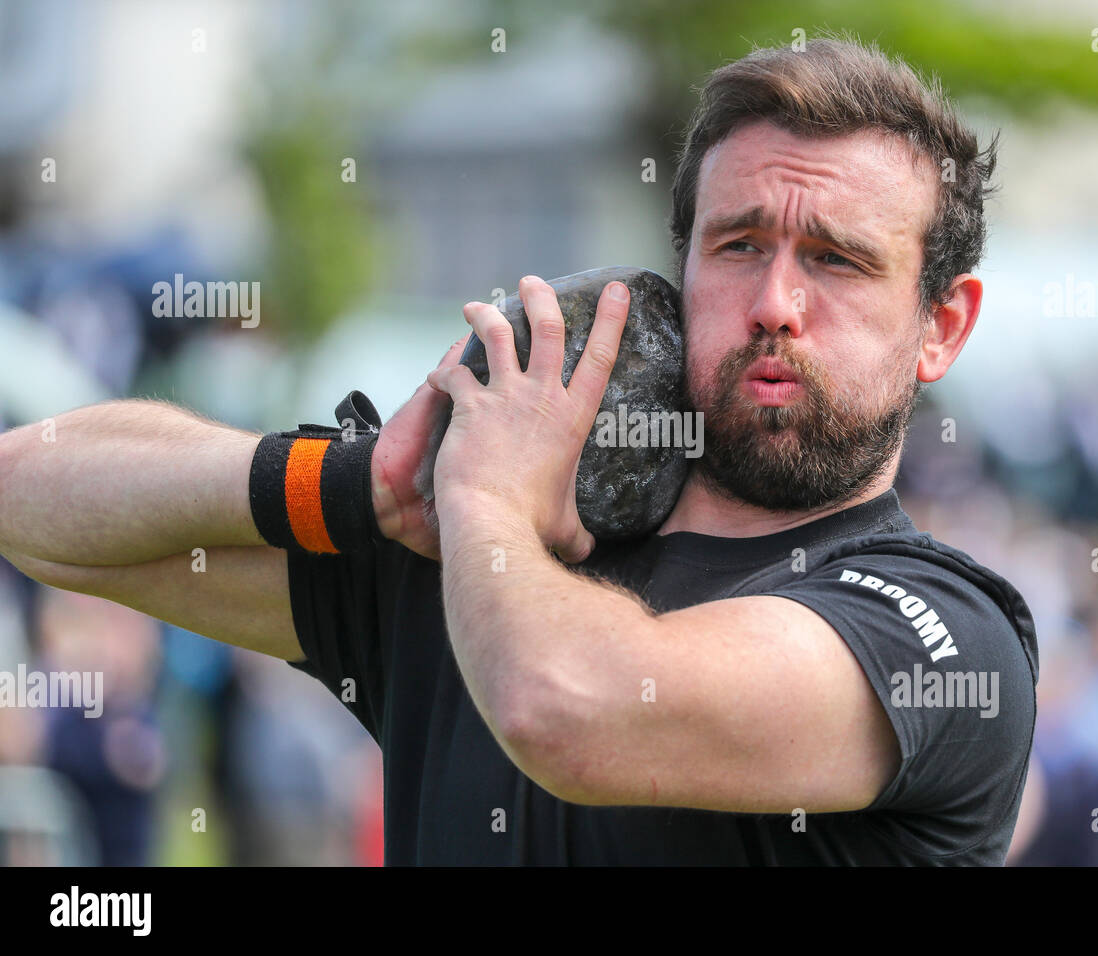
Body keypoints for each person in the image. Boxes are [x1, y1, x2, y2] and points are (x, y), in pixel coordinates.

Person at [0, 37, 1037, 865]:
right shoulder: (467, 555)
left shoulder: (945, 634)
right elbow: (34, 504)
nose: (774, 303)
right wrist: (363, 481)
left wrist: (484, 502)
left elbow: (569, 710)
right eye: (738, 244)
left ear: (942, 325)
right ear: (675, 269)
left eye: (837, 260)